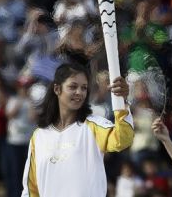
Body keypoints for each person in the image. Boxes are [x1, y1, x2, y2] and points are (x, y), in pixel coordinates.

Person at [21, 60, 134, 197]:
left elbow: (123, 139)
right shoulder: (39, 136)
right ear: (57, 89)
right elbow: (31, 189)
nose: (79, 92)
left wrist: (122, 102)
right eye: (73, 87)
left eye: (84, 88)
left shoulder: (93, 127)